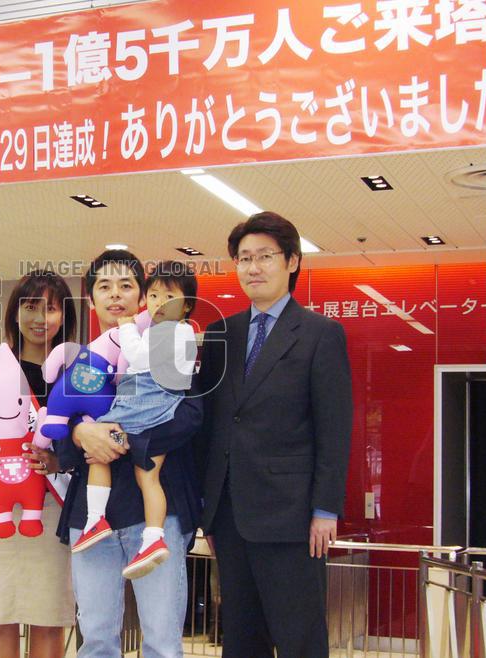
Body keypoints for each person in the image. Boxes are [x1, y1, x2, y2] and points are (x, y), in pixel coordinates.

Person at [194, 211, 353, 658]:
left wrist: (326, 508)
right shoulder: (221, 333)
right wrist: (205, 506)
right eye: (244, 258)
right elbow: (211, 424)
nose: (253, 267)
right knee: (242, 639)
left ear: (293, 262)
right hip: (229, 514)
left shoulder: (321, 334)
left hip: (293, 518)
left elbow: (334, 428)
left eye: (265, 256)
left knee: (300, 636)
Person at [55, 250, 203, 658]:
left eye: (126, 286)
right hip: (92, 516)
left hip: (154, 511)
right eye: (104, 286)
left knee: (161, 640)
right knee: (96, 638)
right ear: (91, 299)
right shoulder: (82, 363)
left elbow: (191, 416)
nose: (115, 295)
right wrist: (82, 431)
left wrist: (124, 442)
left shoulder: (170, 346)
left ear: (144, 297)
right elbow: (57, 435)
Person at [0, 270, 77, 658]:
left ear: (64, 316)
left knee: (48, 615)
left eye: (52, 308)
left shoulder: (75, 372)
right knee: (0, 612)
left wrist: (58, 460)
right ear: (14, 313)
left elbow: (82, 436)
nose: (41, 318)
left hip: (51, 503)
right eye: (31, 306)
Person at [77, 262, 199, 581]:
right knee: (147, 476)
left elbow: (140, 357)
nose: (159, 302)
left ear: (186, 304)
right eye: (155, 295)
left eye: (168, 296)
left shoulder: (168, 330)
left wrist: (127, 326)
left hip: (143, 407)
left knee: (100, 442)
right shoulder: (181, 331)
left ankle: (95, 520)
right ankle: (153, 537)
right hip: (156, 410)